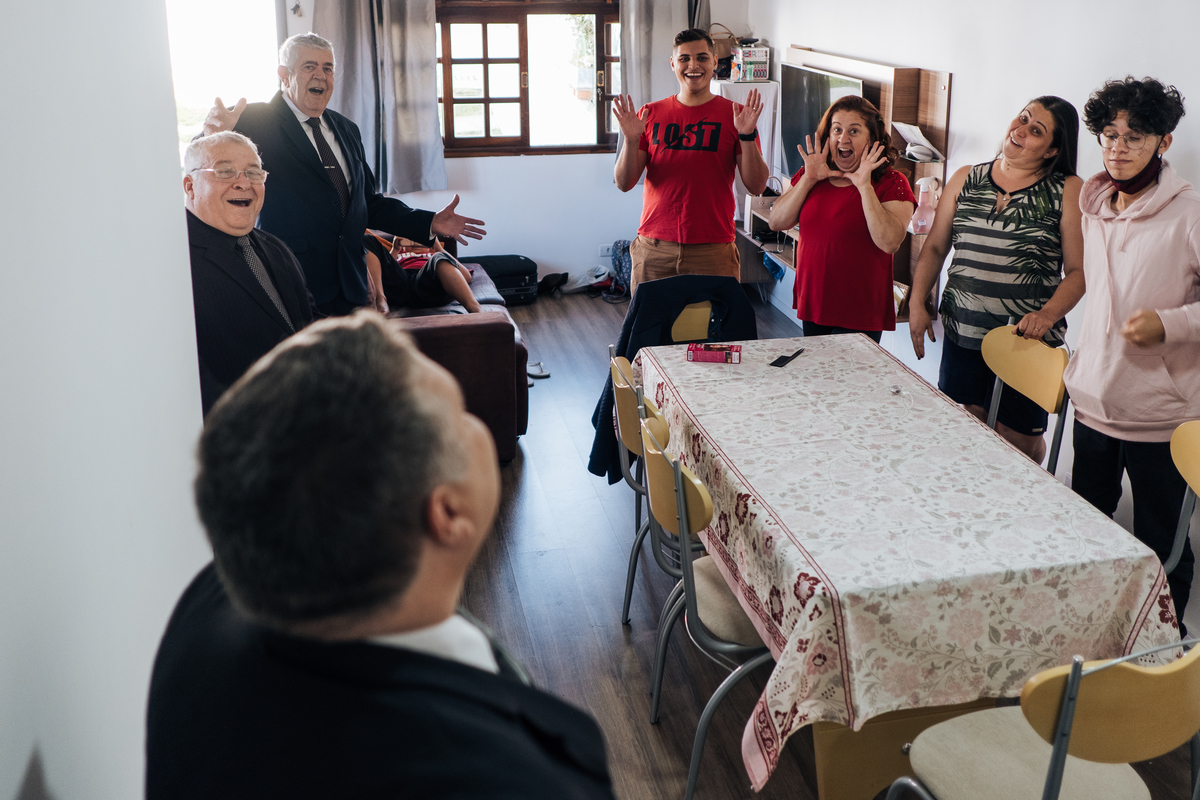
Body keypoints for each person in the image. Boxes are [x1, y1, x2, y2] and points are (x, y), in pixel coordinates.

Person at [146, 312, 617, 799]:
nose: (472, 420)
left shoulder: (206, 602)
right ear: (448, 512)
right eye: (459, 413)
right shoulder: (503, 781)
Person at [202, 33, 486, 316]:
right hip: (291, 279)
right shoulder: (252, 120)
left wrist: (431, 222)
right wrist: (211, 135)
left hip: (351, 282)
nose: (320, 76)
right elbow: (203, 161)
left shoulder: (346, 129)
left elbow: (368, 204)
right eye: (309, 66)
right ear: (284, 75)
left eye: (328, 68)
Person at [1063, 76, 1200, 629]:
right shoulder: (1093, 203)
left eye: (1135, 137)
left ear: (1163, 142)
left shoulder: (1189, 212)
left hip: (1160, 415)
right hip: (1094, 399)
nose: (1117, 148)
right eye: (1109, 135)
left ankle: (1165, 654)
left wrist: (1169, 325)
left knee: (1162, 544)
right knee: (1088, 531)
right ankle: (1094, 638)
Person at [908, 97, 1084, 463]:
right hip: (964, 331)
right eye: (1022, 119)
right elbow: (936, 246)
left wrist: (1048, 315)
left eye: (1035, 130)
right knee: (969, 430)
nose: (1019, 130)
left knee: (1017, 443)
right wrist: (916, 301)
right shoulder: (966, 177)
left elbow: (1080, 272)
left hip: (1027, 342)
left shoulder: (1067, 189)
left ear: (1053, 149)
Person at [612, 28, 769, 294]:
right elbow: (624, 183)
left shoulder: (737, 116)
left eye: (701, 57)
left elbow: (756, 185)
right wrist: (630, 140)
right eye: (684, 58)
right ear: (673, 64)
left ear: (715, 62)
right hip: (654, 247)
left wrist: (747, 134)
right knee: (651, 335)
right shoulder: (649, 115)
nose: (693, 65)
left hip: (714, 250)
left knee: (714, 334)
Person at [184, 131, 317, 416]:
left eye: (254, 173)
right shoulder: (174, 261)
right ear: (190, 186)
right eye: (225, 172)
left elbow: (306, 322)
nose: (244, 183)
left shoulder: (275, 247)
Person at [768, 95, 915, 342]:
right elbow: (776, 222)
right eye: (837, 129)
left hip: (860, 310)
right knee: (816, 377)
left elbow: (889, 242)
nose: (843, 139)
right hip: (815, 302)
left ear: (872, 139)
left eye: (854, 131)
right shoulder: (813, 175)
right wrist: (809, 178)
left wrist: (864, 186)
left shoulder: (892, 183)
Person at [364, 232, 482, 314]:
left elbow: (466, 277)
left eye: (420, 239)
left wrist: (438, 249)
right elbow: (383, 268)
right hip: (400, 282)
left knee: (440, 258)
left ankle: (475, 308)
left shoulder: (434, 255)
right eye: (410, 238)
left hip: (428, 282)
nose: (415, 242)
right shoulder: (399, 255)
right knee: (367, 239)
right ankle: (380, 301)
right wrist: (395, 250)